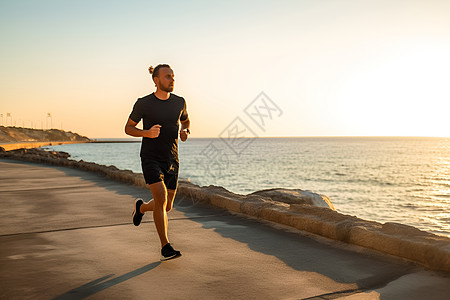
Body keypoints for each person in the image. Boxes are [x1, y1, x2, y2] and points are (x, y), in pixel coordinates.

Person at [124, 64, 190, 261]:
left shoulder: (180, 102)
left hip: (172, 159)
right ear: (156, 80)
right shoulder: (144, 103)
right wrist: (146, 133)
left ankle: (141, 207)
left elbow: (186, 121)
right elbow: (128, 128)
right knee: (160, 198)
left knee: (167, 206)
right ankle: (165, 246)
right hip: (150, 158)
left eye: (173, 76)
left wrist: (185, 131)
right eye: (168, 76)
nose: (172, 79)